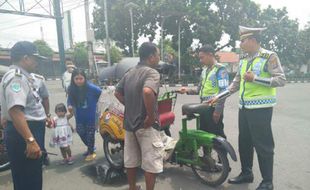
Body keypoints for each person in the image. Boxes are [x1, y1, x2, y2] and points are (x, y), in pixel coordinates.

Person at [208, 26, 286, 190]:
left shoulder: (269, 56)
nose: (241, 44)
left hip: (261, 108)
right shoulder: (243, 60)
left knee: (263, 145)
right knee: (244, 141)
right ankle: (246, 173)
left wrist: (256, 79)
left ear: (252, 40)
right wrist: (218, 97)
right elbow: (234, 85)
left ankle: (267, 181)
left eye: (243, 40)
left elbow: (281, 80)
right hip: (244, 108)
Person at [114, 42, 163, 190]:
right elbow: (148, 92)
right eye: (158, 55)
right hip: (145, 125)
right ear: (151, 56)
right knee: (150, 163)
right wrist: (150, 116)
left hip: (129, 124)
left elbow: (117, 93)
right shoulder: (152, 73)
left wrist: (130, 105)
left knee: (131, 160)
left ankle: (132, 187)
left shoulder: (130, 72)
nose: (159, 58)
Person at [0, 41, 47, 190]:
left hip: (26, 131)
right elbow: (15, 110)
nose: (37, 62)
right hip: (25, 133)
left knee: (29, 177)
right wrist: (30, 140)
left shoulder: (24, 77)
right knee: (29, 180)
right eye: (35, 58)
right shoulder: (17, 78)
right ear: (25, 58)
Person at [179, 45, 229, 138]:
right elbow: (199, 90)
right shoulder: (204, 70)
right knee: (204, 134)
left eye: (202, 57)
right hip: (204, 107)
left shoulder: (220, 69)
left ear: (210, 55)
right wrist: (186, 90)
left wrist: (218, 111)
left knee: (217, 134)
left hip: (213, 107)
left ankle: (222, 152)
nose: (200, 60)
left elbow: (224, 91)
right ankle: (207, 153)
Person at [67, 68, 102, 161]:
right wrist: (69, 105)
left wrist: (98, 105)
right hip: (79, 115)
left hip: (91, 115)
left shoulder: (91, 88)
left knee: (90, 134)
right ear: (73, 79)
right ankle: (91, 147)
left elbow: (101, 93)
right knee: (80, 131)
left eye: (81, 78)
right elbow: (69, 99)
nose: (79, 81)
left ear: (84, 78)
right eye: (76, 78)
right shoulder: (71, 89)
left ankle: (91, 152)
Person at [30, 72, 51, 166]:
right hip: (21, 119)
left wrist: (48, 115)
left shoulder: (38, 79)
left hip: (38, 119)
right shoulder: (13, 77)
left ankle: (41, 160)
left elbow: (45, 98)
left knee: (39, 142)